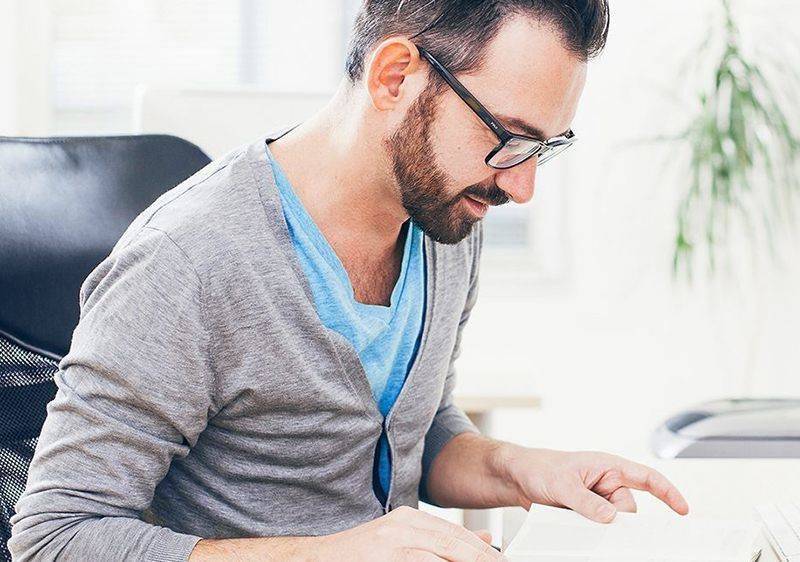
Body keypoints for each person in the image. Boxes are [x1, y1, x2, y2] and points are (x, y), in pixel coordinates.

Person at [9, 1, 689, 561]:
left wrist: (523, 470)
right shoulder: (186, 262)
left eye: (544, 147)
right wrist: (324, 553)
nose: (522, 184)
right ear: (395, 76)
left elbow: (412, 432)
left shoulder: (448, 220)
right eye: (508, 137)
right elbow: (56, 537)